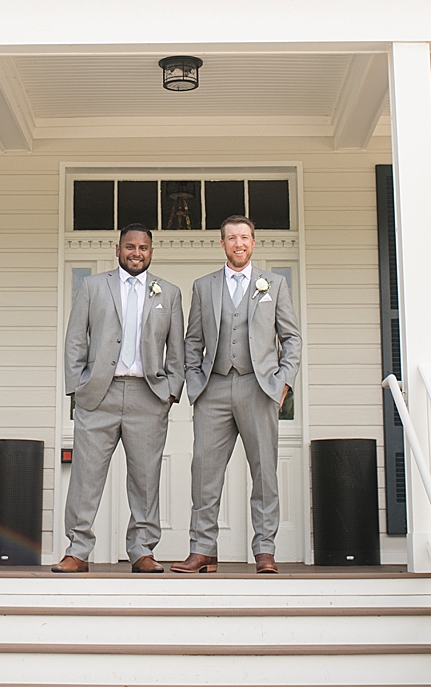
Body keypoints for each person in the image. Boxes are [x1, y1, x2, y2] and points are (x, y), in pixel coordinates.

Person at [53, 224, 185, 574]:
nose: (136, 253)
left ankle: (142, 550)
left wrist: (171, 390)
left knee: (145, 478)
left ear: (151, 252)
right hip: (99, 394)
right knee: (86, 475)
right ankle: (77, 550)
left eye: (143, 247)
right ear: (118, 249)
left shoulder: (168, 293)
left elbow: (178, 350)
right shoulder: (93, 287)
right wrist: (77, 386)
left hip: (148, 395)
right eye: (130, 246)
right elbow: (75, 340)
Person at [173, 215, 300, 575]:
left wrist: (283, 382)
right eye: (231, 238)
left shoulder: (273, 284)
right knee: (204, 473)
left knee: (265, 473)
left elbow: (291, 338)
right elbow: (192, 340)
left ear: (253, 243)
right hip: (213, 388)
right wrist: (195, 381)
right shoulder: (204, 286)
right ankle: (203, 550)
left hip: (259, 388)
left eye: (244, 237)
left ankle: (264, 550)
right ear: (222, 244)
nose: (238, 244)